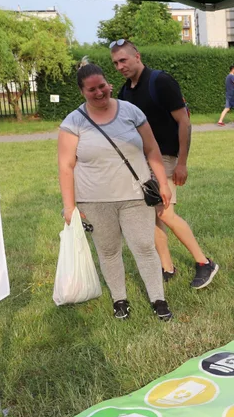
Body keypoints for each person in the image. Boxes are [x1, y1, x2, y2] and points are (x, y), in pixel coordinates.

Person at [57, 63, 174, 321]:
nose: (99, 93)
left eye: (102, 86)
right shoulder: (73, 122)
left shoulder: (131, 111)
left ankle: (158, 299)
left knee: (144, 246)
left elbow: (152, 149)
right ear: (82, 92)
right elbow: (66, 166)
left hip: (135, 195)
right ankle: (119, 299)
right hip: (94, 200)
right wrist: (69, 206)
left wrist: (163, 183)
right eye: (91, 90)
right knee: (108, 250)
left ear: (108, 83)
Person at [111, 40, 220, 290]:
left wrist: (182, 162)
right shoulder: (125, 92)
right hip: (141, 162)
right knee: (152, 214)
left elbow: (184, 122)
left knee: (165, 212)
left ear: (137, 56)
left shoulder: (160, 81)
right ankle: (167, 267)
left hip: (166, 158)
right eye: (115, 63)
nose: (119, 66)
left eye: (123, 60)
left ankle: (204, 262)